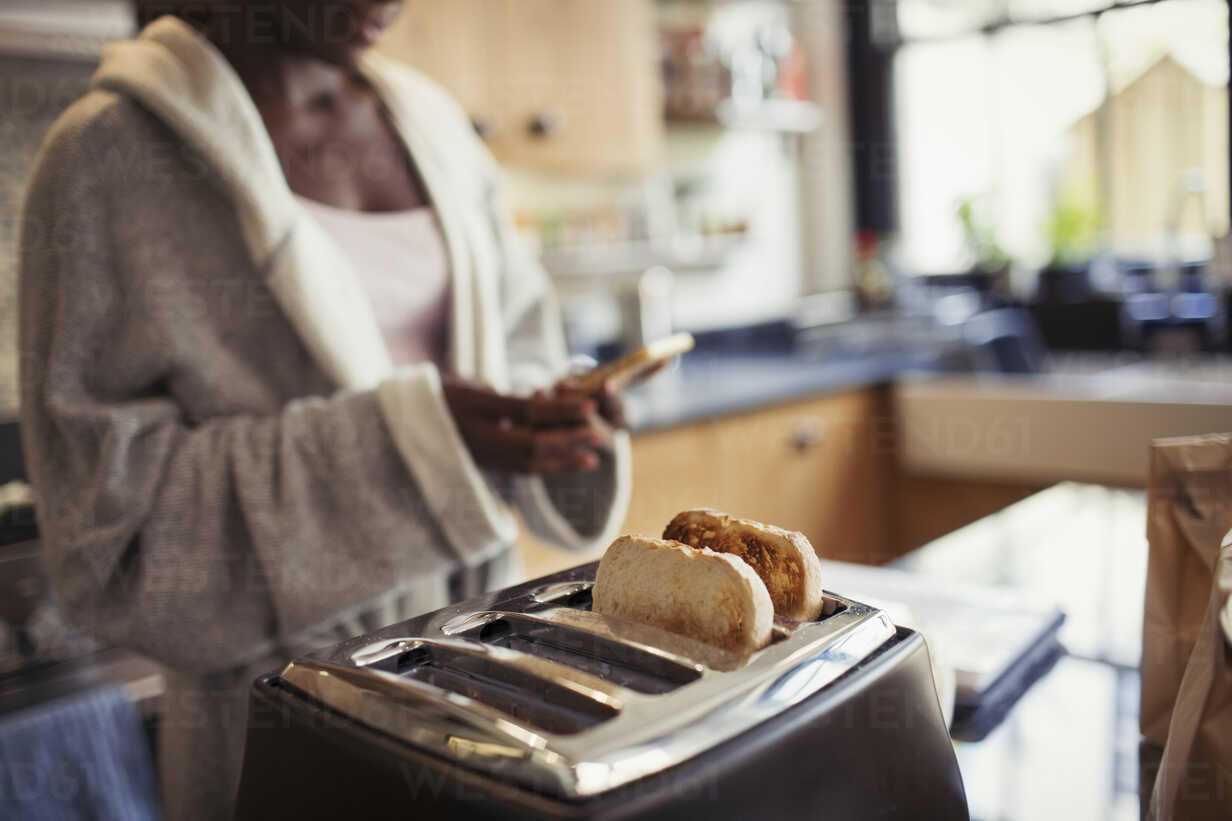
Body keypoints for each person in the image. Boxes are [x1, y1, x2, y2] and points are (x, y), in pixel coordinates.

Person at [18, 2, 633, 819]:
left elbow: (521, 344)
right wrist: (408, 446)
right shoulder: (107, 158)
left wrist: (550, 417)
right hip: (284, 732)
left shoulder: (436, 125)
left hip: (497, 693)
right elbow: (111, 546)